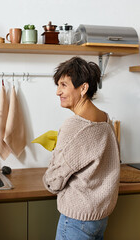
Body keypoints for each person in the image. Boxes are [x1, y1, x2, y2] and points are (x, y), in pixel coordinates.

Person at [43, 57, 120, 240]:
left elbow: (53, 182)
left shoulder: (75, 126)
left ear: (83, 88)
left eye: (63, 85)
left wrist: (54, 159)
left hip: (76, 219)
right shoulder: (105, 119)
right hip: (99, 218)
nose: (58, 92)